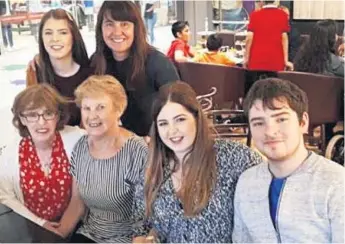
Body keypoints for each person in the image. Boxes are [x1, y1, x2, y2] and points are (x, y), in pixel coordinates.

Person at [132, 81, 262, 243]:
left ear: (197, 118)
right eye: (163, 123)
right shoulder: (153, 166)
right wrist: (142, 239)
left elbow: (263, 220)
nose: (172, 131)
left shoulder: (236, 158)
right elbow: (140, 223)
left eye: (180, 120)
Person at [233, 78, 344, 243]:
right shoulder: (247, 183)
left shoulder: (336, 183)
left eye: (281, 119)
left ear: (303, 122)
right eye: (258, 123)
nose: (270, 131)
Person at [49, 75, 148, 243]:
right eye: (86, 108)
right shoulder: (80, 146)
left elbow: (146, 219)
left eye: (100, 107)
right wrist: (56, 237)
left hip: (128, 239)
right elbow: (77, 202)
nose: (92, 116)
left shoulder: (137, 151)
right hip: (89, 234)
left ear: (119, 110)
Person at [0, 84, 85, 235]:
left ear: (58, 116)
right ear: (22, 119)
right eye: (32, 115)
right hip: (31, 228)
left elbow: (81, 196)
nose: (41, 122)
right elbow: (6, 198)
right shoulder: (9, 154)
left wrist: (63, 230)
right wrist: (41, 224)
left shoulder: (78, 139)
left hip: (78, 227)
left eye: (48, 113)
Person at [91, 1, 179, 137]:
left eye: (124, 24)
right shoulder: (96, 63)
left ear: (136, 28)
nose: (117, 32)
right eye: (109, 24)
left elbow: (178, 109)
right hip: (111, 146)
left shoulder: (158, 63)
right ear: (100, 28)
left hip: (153, 147)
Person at [26, 9, 91, 126]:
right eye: (48, 33)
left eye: (63, 32)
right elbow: (30, 117)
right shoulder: (35, 72)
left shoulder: (90, 75)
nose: (55, 39)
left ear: (73, 36)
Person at [244, 1, 292, 94]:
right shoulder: (282, 15)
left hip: (256, 60)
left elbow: (249, 38)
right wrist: (285, 60)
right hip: (276, 61)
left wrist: (246, 58)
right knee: (275, 92)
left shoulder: (255, 14)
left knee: (253, 91)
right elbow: (284, 38)